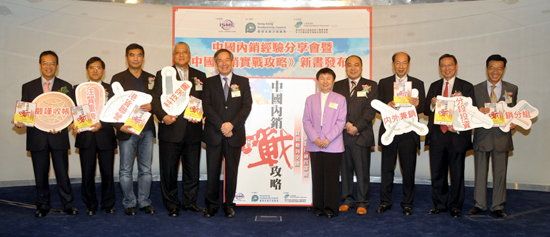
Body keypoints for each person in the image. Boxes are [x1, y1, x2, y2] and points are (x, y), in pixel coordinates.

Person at [16, 50, 78, 217]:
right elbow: (25, 113)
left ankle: (68, 204)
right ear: (40, 65)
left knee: (62, 174)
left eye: (52, 63)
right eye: (45, 63)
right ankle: (42, 206)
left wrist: (70, 123)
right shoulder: (28, 87)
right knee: (40, 174)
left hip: (59, 136)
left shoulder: (66, 87)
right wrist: (20, 121)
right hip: (37, 137)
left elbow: (72, 112)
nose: (48, 67)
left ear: (57, 66)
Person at [152, 42, 207, 217]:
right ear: (173, 56)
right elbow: (155, 100)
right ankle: (172, 205)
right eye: (178, 53)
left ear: (190, 55)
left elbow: (205, 100)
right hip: (170, 130)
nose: (181, 55)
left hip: (193, 131)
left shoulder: (200, 75)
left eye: (184, 52)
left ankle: (190, 202)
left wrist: (202, 113)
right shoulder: (163, 74)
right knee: (169, 171)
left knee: (192, 170)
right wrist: (162, 116)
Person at [202, 49, 252, 218]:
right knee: (213, 171)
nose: (223, 63)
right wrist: (221, 125)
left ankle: (229, 204)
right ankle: (211, 205)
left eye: (226, 60)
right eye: (220, 61)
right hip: (214, 134)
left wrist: (232, 125)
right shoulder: (208, 82)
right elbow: (207, 107)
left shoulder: (243, 82)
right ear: (215, 63)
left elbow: (246, 106)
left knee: (231, 171)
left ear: (232, 61)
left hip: (234, 134)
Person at [424, 54, 475, 218]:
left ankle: (455, 206)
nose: (447, 68)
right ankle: (439, 204)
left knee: (457, 173)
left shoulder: (466, 87)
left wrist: (461, 103)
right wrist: (432, 104)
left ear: (456, 66)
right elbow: (425, 110)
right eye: (443, 66)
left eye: (450, 65)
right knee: (437, 172)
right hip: (438, 135)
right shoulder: (434, 85)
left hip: (456, 136)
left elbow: (471, 112)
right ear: (440, 68)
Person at [469, 54, 518, 218]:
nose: (495, 71)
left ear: (503, 69)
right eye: (492, 67)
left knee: (500, 173)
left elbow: (514, 112)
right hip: (482, 136)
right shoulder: (475, 89)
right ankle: (479, 204)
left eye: (499, 68)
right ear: (486, 69)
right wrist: (478, 112)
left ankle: (498, 206)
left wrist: (514, 122)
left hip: (502, 137)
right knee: (480, 172)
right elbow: (470, 113)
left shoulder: (512, 88)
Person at [376, 52, 425, 216]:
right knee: (387, 169)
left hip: (408, 132)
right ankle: (385, 201)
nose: (401, 66)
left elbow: (424, 107)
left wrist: (417, 104)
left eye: (404, 63)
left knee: (408, 170)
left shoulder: (417, 83)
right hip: (390, 131)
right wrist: (386, 105)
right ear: (393, 64)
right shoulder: (383, 83)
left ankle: (408, 203)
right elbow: (377, 106)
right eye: (398, 63)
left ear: (408, 65)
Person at [111, 43, 156, 216]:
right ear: (126, 57)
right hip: (127, 130)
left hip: (147, 129)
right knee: (125, 169)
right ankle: (129, 202)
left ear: (143, 58)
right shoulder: (118, 78)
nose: (135, 58)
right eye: (132, 55)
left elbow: (159, 101)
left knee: (146, 169)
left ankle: (144, 202)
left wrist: (153, 105)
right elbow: (112, 107)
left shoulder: (152, 78)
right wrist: (119, 126)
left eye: (139, 55)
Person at [332, 55, 377, 215]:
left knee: (362, 169)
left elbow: (370, 110)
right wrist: (345, 124)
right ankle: (347, 199)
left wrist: (357, 127)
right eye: (349, 65)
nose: (353, 68)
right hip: (342, 135)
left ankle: (362, 202)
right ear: (345, 67)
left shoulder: (370, 85)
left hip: (361, 135)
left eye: (356, 65)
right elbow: (334, 109)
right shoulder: (337, 85)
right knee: (345, 170)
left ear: (361, 67)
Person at [74, 57, 117, 216]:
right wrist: (76, 123)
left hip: (105, 136)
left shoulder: (110, 90)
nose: (95, 70)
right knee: (87, 173)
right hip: (86, 137)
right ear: (87, 70)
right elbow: (75, 111)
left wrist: (102, 124)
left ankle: (108, 204)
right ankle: (90, 205)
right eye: (91, 67)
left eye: (98, 67)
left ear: (103, 71)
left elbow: (115, 113)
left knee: (107, 173)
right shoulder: (78, 89)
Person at [303, 67, 347, 218]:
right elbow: (306, 121)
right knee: (318, 176)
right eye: (322, 78)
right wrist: (316, 138)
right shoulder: (310, 99)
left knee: (331, 178)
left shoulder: (340, 99)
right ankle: (318, 207)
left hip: (333, 145)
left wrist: (327, 139)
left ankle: (330, 208)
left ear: (333, 81)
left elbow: (341, 122)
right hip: (314, 144)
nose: (325, 81)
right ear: (317, 80)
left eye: (328, 78)